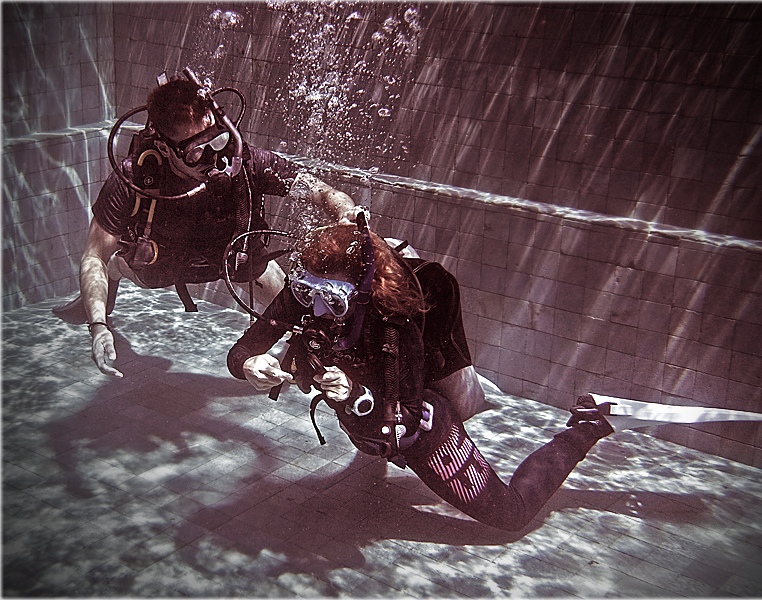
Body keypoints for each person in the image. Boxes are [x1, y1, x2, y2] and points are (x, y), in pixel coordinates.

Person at [226, 220, 615, 531]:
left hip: (421, 428)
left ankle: (587, 426)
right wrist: (249, 365)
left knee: (511, 514)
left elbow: (408, 420)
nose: (314, 308)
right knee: (369, 443)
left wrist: (352, 393)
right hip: (368, 426)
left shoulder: (396, 327)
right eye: (304, 290)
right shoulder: (305, 296)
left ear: (357, 293)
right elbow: (243, 349)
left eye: (328, 299)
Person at [54, 73, 360, 378]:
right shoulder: (134, 179)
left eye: (218, 140)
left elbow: (322, 192)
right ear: (165, 149)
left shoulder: (248, 161)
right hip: (161, 265)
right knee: (120, 266)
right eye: (196, 152)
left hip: (234, 261)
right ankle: (115, 275)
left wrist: (345, 213)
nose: (215, 159)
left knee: (298, 311)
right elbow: (94, 254)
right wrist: (98, 327)